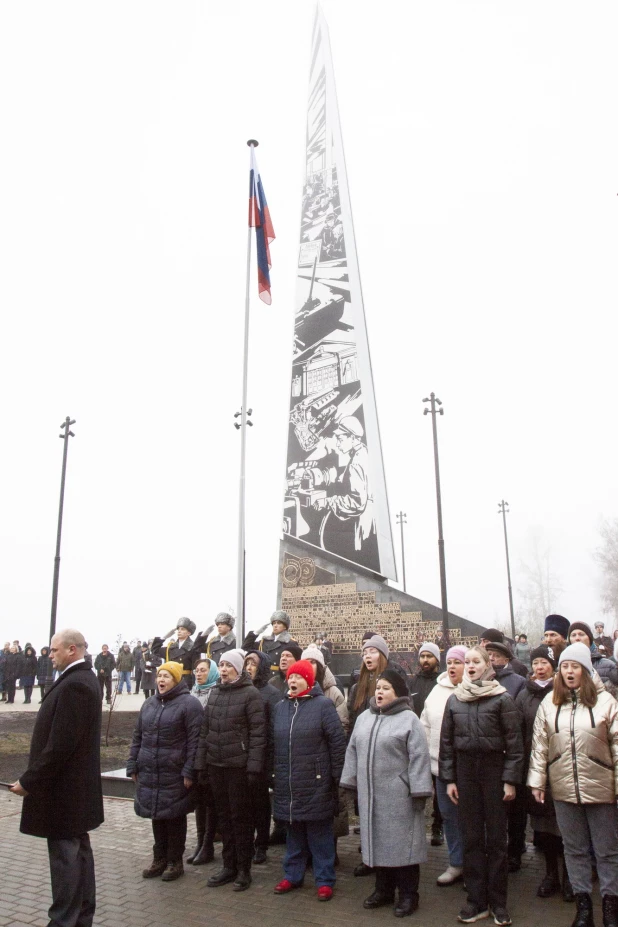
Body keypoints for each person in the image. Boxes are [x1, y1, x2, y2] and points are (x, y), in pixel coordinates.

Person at [9, 629, 103, 927]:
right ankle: (80, 918)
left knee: (66, 862)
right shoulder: (82, 678)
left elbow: (61, 744)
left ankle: (64, 921)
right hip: (73, 793)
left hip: (65, 793)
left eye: (53, 650)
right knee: (79, 856)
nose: (49, 655)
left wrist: (29, 781)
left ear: (71, 650)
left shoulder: (76, 684)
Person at [528, 642, 618, 927]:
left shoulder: (606, 703)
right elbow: (540, 745)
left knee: (606, 852)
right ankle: (583, 909)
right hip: (564, 790)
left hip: (601, 790)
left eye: (574, 666)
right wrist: (537, 781)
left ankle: (611, 907)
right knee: (574, 849)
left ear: (586, 670)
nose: (569, 671)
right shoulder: (549, 703)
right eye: (565, 666)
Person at [440, 646, 524, 926]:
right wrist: (450, 779)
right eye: (468, 662)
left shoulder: (502, 699)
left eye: (477, 662)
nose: (471, 666)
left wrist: (510, 780)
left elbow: (514, 745)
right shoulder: (454, 700)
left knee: (497, 841)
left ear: (488, 666)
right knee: (472, 838)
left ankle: (499, 903)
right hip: (465, 773)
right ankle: (476, 902)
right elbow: (447, 745)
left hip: (494, 773)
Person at [341, 668, 432, 917]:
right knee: (377, 842)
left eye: (386, 689)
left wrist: (419, 790)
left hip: (400, 796)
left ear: (398, 693)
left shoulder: (409, 719)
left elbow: (419, 757)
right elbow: (352, 750)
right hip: (371, 796)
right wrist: (348, 782)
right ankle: (383, 890)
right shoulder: (364, 718)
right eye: (378, 688)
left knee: (403, 847)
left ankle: (408, 895)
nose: (379, 692)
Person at [272, 660, 347, 903]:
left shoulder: (323, 705)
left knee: (320, 834)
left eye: (298, 677)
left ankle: (324, 880)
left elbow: (337, 744)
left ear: (309, 680)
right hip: (289, 783)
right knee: (293, 833)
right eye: (290, 677)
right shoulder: (280, 707)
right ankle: (292, 875)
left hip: (316, 782)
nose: (292, 681)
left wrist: (336, 778)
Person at [195, 649, 266, 892]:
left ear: (238, 669)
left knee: (240, 819)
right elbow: (205, 732)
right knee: (224, 819)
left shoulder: (250, 695)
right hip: (216, 766)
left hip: (239, 768)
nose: (223, 670)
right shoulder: (215, 693)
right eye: (221, 665)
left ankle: (244, 869)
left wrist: (254, 767)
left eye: (228, 665)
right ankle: (228, 866)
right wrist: (201, 763)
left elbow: (258, 734)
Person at [127, 660, 203, 882]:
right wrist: (133, 764)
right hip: (150, 770)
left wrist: (189, 771)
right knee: (156, 816)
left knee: (174, 816)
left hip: (175, 772)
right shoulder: (149, 704)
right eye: (159, 676)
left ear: (177, 680)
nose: (160, 680)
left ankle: (174, 861)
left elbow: (195, 742)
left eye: (166, 676)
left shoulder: (190, 705)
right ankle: (158, 859)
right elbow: (137, 736)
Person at [514, 644, 571, 901]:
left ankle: (571, 877)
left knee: (568, 826)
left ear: (553, 665)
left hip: (563, 768)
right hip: (535, 770)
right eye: (535, 663)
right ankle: (550, 875)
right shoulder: (524, 694)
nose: (539, 667)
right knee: (544, 827)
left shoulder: (565, 692)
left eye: (544, 663)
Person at [420, 646, 467, 887]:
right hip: (442, 770)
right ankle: (456, 863)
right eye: (449, 662)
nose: (452, 667)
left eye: (457, 662)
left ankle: (476, 866)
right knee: (449, 817)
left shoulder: (476, 689)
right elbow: (424, 727)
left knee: (472, 819)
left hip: (469, 771)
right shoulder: (437, 692)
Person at [244, 650, 284, 863]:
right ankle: (246, 842)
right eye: (246, 662)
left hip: (262, 758)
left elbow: (273, 729)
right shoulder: (240, 690)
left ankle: (261, 844)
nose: (248, 667)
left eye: (253, 663)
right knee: (244, 805)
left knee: (259, 804)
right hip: (240, 757)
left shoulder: (272, 693)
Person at [187, 658, 220, 865]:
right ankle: (200, 843)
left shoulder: (216, 693)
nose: (199, 674)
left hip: (210, 754)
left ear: (213, 672)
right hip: (194, 753)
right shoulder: (192, 692)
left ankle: (208, 844)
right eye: (197, 670)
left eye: (204, 670)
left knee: (210, 803)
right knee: (199, 802)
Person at [409, 641, 443, 846]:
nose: (425, 660)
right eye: (422, 656)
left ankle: (438, 826)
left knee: (438, 786)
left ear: (437, 659)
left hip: (438, 741)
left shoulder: (442, 682)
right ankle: (417, 826)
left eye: (429, 656)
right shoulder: (412, 683)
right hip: (416, 741)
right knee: (418, 784)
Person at [302, 644, 349, 733]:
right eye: (305, 662)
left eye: (312, 662)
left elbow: (342, 727)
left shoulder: (333, 693)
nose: (308, 666)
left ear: (320, 666)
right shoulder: (294, 691)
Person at [151, 618, 209, 690]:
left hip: (185, 681)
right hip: (171, 680)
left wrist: (195, 687)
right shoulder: (171, 647)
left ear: (189, 633)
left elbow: (195, 669)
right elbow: (155, 650)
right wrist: (163, 638)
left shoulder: (192, 647)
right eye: (178, 629)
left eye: (182, 629)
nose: (179, 631)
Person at [244, 610, 301, 677]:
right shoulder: (264, 641)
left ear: (285, 626)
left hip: (279, 677)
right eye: (274, 623)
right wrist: (256, 633)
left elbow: (297, 662)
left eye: (279, 623)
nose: (275, 625)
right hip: (263, 677)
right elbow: (246, 647)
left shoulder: (290, 642)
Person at [569, 621, 618, 694]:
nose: (577, 638)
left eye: (581, 634)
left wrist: (605, 649)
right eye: (573, 635)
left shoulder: (609, 666)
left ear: (589, 638)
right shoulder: (562, 667)